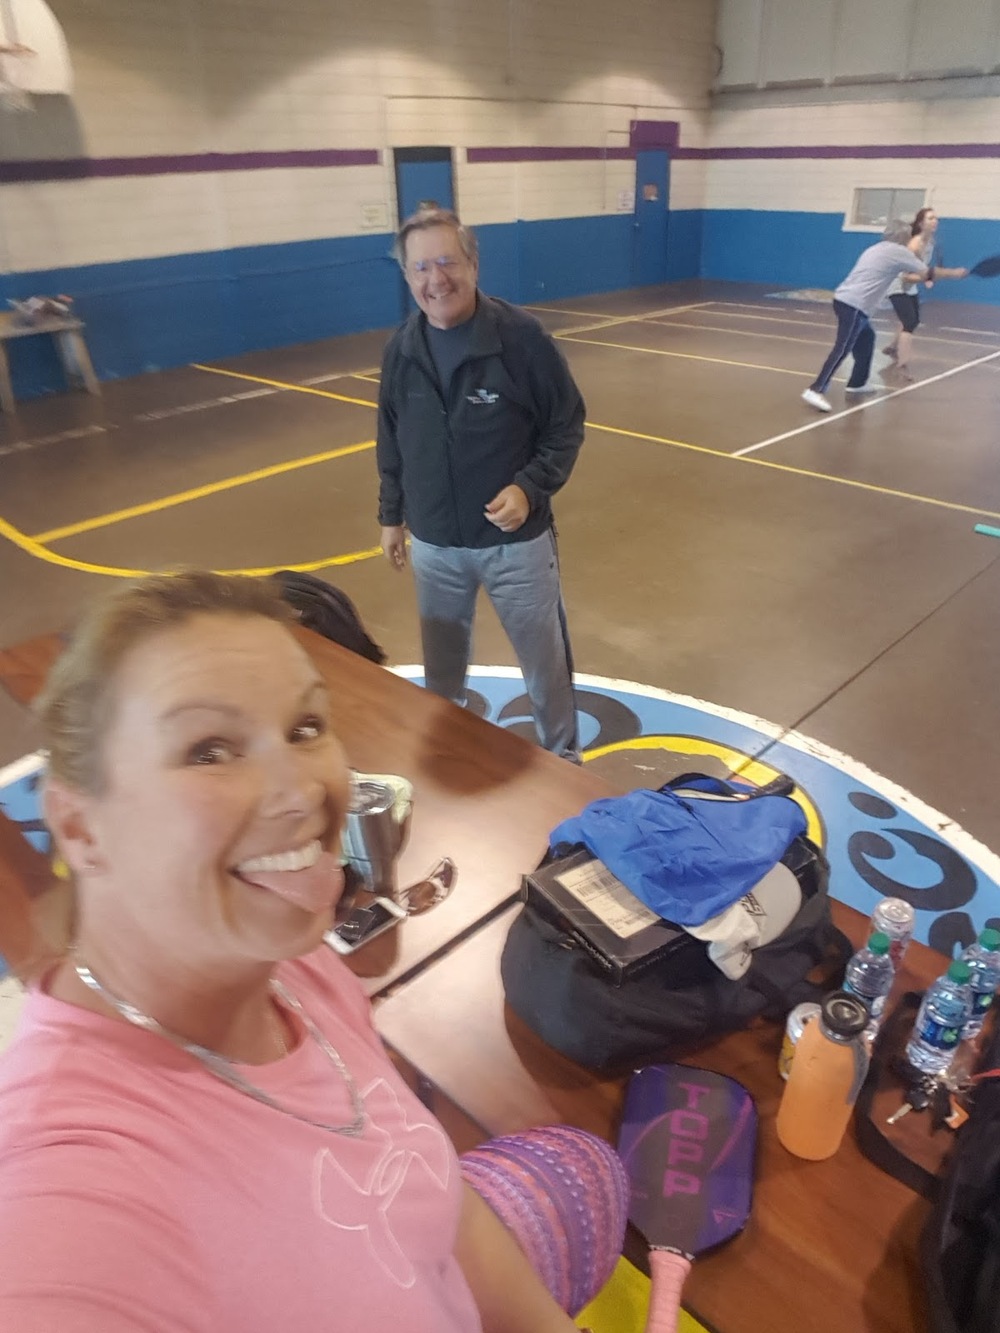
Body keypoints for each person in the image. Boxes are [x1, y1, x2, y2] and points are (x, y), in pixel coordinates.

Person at [0, 571, 622, 1332]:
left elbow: (439, 1211)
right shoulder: (79, 1196)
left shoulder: (296, 967)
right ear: (81, 826)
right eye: (209, 750)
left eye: (303, 728)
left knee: (589, 1167)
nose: (302, 792)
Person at [377, 207, 584, 762]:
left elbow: (565, 423)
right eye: (420, 267)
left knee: (545, 666)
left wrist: (530, 488)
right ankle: (449, 755)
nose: (435, 279)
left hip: (513, 549)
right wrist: (391, 516)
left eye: (447, 261)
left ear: (472, 264)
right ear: (407, 277)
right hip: (436, 547)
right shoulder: (402, 350)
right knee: (441, 673)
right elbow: (391, 437)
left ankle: (565, 759)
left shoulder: (520, 339)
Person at [801, 220, 954, 414]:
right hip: (854, 305)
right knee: (843, 348)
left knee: (867, 338)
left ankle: (857, 382)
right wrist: (954, 273)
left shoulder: (875, 248)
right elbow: (926, 273)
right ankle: (815, 389)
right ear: (903, 237)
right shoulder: (898, 252)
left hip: (845, 300)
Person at [883, 207, 967, 377]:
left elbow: (923, 268)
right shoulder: (915, 244)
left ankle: (892, 347)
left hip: (910, 285)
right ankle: (903, 364)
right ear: (921, 223)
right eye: (930, 218)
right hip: (897, 283)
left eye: (936, 218)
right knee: (910, 322)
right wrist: (930, 276)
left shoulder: (931, 242)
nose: (935, 221)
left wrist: (928, 276)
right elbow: (906, 276)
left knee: (912, 318)